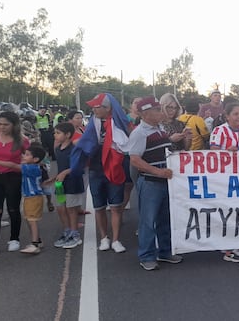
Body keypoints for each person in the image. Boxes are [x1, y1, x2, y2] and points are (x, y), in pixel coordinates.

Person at [124, 96, 183, 271]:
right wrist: (158, 171)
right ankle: (147, 255)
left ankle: (164, 251)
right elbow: (134, 159)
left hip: (164, 181)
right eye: (157, 110)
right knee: (148, 221)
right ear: (145, 113)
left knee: (164, 219)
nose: (160, 112)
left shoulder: (159, 130)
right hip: (151, 182)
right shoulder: (139, 133)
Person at [70, 93, 130, 254]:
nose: (94, 110)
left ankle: (116, 239)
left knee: (116, 207)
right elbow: (85, 144)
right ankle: (104, 237)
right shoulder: (92, 124)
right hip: (96, 169)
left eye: (97, 107)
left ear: (107, 108)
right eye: (93, 107)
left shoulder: (120, 123)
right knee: (99, 207)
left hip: (115, 167)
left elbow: (126, 144)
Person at [209, 102, 239, 263]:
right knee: (227, 210)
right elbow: (212, 152)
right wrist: (227, 152)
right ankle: (227, 248)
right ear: (227, 116)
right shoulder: (219, 131)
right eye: (235, 114)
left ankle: (234, 242)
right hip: (223, 178)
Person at [0, 111, 30, 257]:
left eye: (6, 124)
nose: (2, 127)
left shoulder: (22, 140)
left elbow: (28, 160)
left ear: (14, 125)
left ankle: (14, 238)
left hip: (13, 177)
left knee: (13, 209)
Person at [52, 122, 86, 249]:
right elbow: (60, 167)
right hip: (61, 184)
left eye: (58, 133)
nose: (55, 135)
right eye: (55, 133)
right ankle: (66, 231)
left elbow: (79, 167)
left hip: (73, 183)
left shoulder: (74, 149)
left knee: (71, 209)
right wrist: (54, 178)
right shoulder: (57, 149)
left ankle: (74, 234)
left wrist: (66, 172)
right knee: (61, 208)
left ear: (67, 135)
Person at [17, 145, 51, 253]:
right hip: (29, 197)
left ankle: (35, 243)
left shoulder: (31, 168)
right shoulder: (33, 166)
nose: (24, 156)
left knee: (32, 220)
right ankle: (38, 240)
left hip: (34, 197)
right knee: (29, 219)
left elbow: (13, 166)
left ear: (35, 159)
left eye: (27, 155)